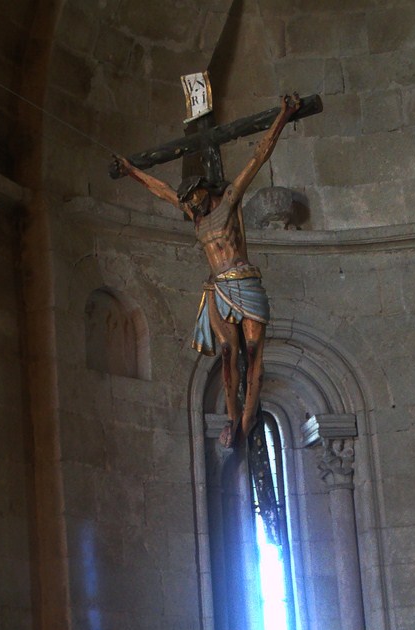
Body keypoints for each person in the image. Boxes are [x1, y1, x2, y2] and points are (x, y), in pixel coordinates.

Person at [114, 93, 301, 448]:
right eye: (188, 201)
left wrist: (284, 114)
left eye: (194, 198)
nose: (190, 204)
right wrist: (131, 170)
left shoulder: (229, 203)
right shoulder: (193, 214)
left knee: (252, 350)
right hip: (218, 287)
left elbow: (259, 156)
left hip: (244, 281)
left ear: (204, 191)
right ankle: (233, 417)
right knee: (227, 353)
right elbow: (161, 190)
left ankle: (247, 419)